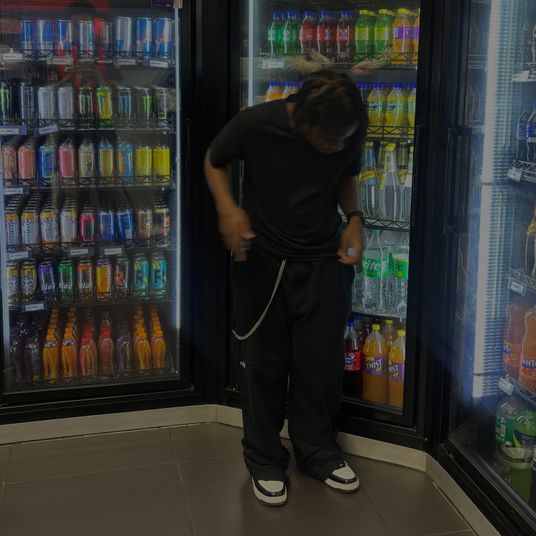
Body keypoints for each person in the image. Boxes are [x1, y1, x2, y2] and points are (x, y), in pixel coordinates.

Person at [204, 70, 368, 506]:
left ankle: (318, 452)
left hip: (325, 262)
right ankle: (264, 458)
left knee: (321, 365)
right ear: (302, 121)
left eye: (343, 138)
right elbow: (214, 159)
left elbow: (346, 174)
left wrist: (354, 218)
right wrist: (228, 209)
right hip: (263, 262)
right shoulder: (258, 123)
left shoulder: (349, 126)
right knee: (262, 365)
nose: (337, 145)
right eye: (328, 139)